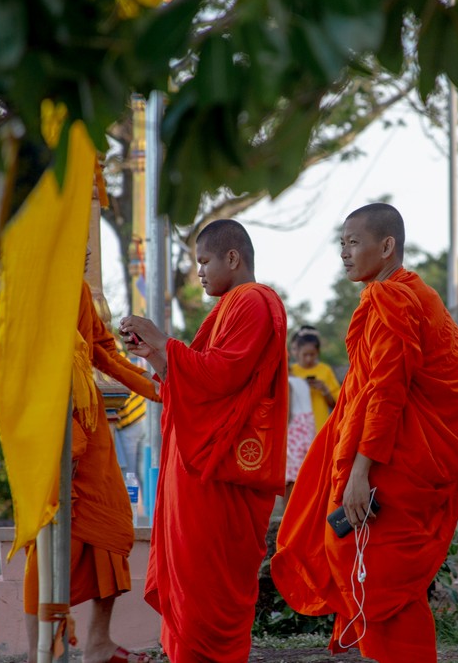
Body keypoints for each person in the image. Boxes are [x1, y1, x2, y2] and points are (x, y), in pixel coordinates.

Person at [271, 203, 458, 663]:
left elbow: (388, 391)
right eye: (342, 243)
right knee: (383, 578)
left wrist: (360, 469)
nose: (344, 253)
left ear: (387, 246)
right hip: (404, 456)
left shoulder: (393, 298)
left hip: (395, 462)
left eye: (354, 242)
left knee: (382, 578)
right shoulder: (408, 293)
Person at [118, 219, 288, 663]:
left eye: (204, 261)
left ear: (233, 258)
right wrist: (155, 353)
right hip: (197, 470)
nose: (199, 272)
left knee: (206, 587)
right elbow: (193, 380)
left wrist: (161, 339)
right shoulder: (228, 307)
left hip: (219, 471)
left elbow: (221, 374)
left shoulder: (252, 301)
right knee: (190, 586)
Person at [23, 249, 160, 663]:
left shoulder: (78, 290)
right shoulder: (31, 292)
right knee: (49, 538)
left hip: (89, 421)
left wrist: (160, 387)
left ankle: (99, 642)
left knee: (112, 527)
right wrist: (66, 438)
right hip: (51, 424)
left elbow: (102, 349)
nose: (81, 253)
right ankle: (39, 652)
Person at [287, 326, 341, 432]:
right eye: (305, 354)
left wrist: (325, 390)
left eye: (312, 354)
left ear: (318, 352)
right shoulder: (290, 372)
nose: (309, 358)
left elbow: (337, 404)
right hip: (297, 428)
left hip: (320, 424)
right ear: (296, 351)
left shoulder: (325, 370)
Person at [284, 372, 316, 508]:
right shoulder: (301, 382)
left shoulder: (287, 383)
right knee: (303, 474)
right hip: (307, 428)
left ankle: (288, 514)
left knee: (289, 479)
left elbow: (287, 412)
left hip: (293, 431)